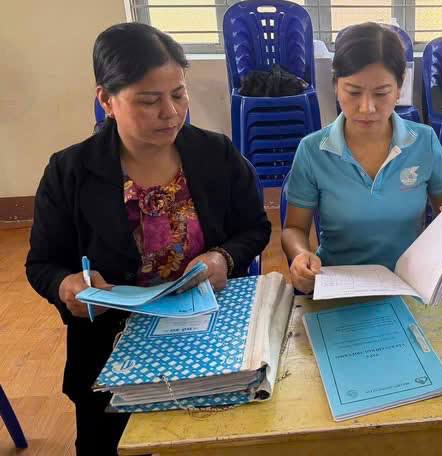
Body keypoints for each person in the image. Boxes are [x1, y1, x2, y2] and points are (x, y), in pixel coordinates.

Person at [26, 22, 269, 454]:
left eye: (178, 94)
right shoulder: (70, 172)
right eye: (149, 100)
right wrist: (68, 286)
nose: (170, 113)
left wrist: (223, 258)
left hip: (208, 330)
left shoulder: (215, 154)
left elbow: (254, 227)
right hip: (110, 342)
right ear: (107, 100)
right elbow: (42, 263)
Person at [282, 22, 442, 293]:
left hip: (406, 283)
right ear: (336, 86)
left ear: (399, 88)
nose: (367, 107)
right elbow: (294, 228)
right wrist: (300, 255)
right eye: (353, 92)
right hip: (337, 284)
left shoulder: (423, 142)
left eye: (381, 93)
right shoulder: (313, 150)